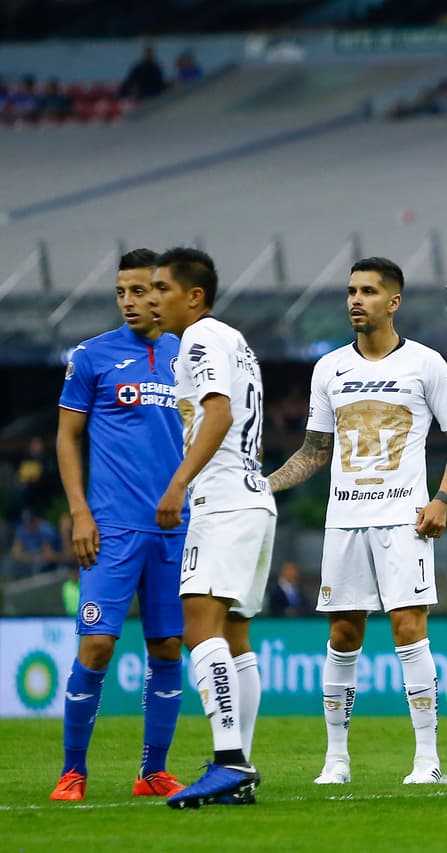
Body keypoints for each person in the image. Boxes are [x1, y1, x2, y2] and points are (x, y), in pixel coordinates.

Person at [267, 256, 447, 787]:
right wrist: (265, 485)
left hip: (404, 519)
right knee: (342, 634)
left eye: (368, 291)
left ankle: (426, 758)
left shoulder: (425, 363)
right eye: (351, 291)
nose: (356, 300)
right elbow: (314, 451)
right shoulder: (328, 368)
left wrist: (442, 499)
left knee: (409, 629)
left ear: (393, 301)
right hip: (344, 519)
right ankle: (336, 759)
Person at [48, 249, 188, 803]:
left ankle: (153, 771)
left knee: (169, 647)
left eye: (141, 291)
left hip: (175, 526)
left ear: (163, 292)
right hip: (112, 528)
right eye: (122, 292)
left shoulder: (186, 354)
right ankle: (72, 771)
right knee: (98, 646)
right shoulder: (92, 356)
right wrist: (80, 512)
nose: (130, 301)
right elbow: (67, 438)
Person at [150, 247, 276, 807]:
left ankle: (228, 761)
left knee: (199, 628)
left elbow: (218, 413)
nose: (153, 299)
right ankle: (238, 767)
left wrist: (178, 483)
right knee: (235, 635)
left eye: (163, 289)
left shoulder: (200, 338)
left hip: (222, 501)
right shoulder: (234, 340)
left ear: (194, 296)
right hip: (252, 496)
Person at [11, 509, 61, 576]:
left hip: (49, 562)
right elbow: (15, 553)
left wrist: (36, 557)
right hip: (30, 562)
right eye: (26, 522)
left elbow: (48, 553)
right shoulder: (22, 530)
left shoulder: (45, 529)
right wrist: (30, 557)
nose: (29, 524)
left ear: (36, 519)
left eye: (31, 521)